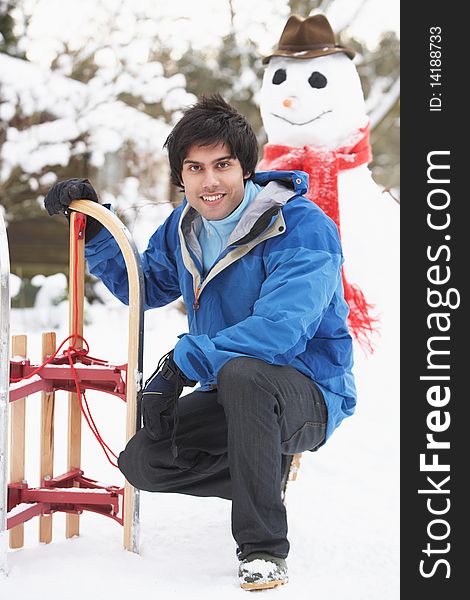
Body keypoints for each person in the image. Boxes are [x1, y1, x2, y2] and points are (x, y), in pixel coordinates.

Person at [44, 94, 356, 591]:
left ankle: (262, 548)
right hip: (235, 392)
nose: (210, 182)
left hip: (310, 392)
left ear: (246, 168)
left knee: (246, 373)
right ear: (181, 175)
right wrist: (96, 228)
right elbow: (139, 286)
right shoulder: (184, 227)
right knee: (144, 460)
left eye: (223, 165)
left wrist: (180, 364)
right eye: (195, 168)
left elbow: (279, 332)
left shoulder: (301, 227)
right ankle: (260, 473)